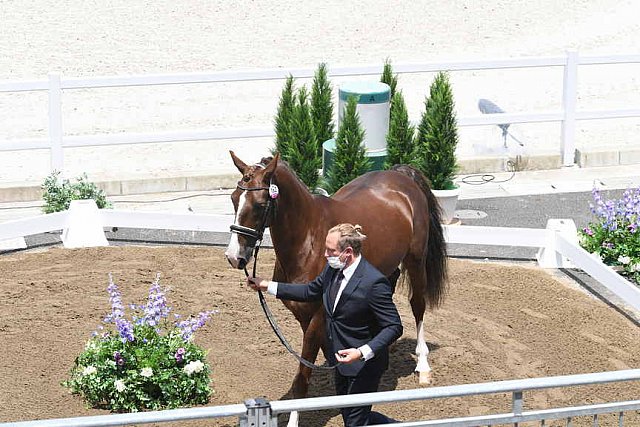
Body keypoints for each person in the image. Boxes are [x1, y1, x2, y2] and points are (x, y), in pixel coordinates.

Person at [247, 223, 403, 426]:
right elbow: (311, 291)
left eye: (331, 250)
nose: (325, 255)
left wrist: (361, 352)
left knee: (354, 422)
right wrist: (267, 285)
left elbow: (394, 326)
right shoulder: (332, 269)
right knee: (352, 417)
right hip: (338, 360)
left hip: (364, 366)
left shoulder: (374, 283)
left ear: (347, 252)